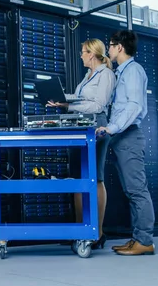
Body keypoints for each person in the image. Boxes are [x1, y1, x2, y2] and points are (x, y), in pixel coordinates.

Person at [47, 38, 115, 250]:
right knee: (78, 177)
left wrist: (71, 105)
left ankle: (98, 232)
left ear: (92, 54)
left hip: (98, 127)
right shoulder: (88, 76)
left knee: (95, 177)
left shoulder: (106, 75)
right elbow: (79, 97)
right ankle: (80, 231)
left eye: (83, 52)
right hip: (81, 127)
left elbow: (98, 104)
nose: (81, 55)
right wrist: (62, 100)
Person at [96, 30, 155, 256]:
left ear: (119, 47)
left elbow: (134, 106)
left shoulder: (133, 71)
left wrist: (110, 128)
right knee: (131, 191)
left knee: (137, 190)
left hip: (128, 135)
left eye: (110, 46)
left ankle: (145, 241)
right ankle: (137, 238)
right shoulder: (122, 72)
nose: (108, 50)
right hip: (122, 137)